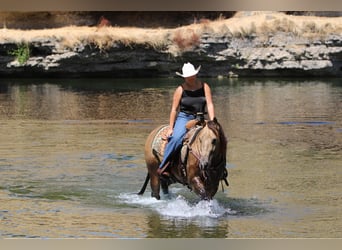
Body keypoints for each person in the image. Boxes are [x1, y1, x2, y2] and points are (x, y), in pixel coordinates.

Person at [157, 62, 215, 175]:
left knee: (217, 137)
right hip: (185, 117)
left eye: (192, 75)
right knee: (176, 139)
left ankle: (219, 167)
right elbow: (174, 109)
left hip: (201, 117)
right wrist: (171, 127)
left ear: (195, 74)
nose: (190, 78)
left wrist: (213, 121)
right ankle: (164, 166)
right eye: (188, 76)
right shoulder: (180, 89)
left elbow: (210, 104)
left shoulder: (205, 86)